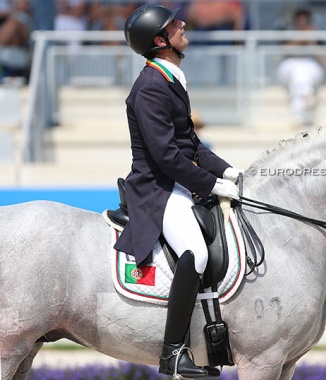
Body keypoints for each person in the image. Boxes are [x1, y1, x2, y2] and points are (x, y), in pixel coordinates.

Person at [116, 4, 241, 378]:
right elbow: (167, 156)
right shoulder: (151, 86)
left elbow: (191, 144)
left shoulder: (169, 78)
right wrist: (212, 185)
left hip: (177, 185)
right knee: (195, 252)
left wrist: (230, 172)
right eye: (174, 25)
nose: (183, 25)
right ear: (160, 40)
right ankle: (172, 353)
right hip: (158, 190)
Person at [276, 8, 325, 128]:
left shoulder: (316, 36)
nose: (302, 24)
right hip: (289, 66)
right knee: (299, 73)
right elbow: (284, 50)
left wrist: (312, 42)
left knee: (300, 78)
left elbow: (323, 59)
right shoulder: (288, 33)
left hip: (311, 68)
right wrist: (301, 37)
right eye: (299, 21)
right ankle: (307, 93)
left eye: (305, 22)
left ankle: (297, 116)